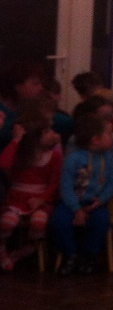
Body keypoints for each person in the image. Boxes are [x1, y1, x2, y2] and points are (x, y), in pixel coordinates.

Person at [50, 112, 113, 275]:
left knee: (101, 221)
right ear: (96, 139)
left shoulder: (108, 159)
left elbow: (111, 184)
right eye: (109, 134)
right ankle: (70, 254)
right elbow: (66, 187)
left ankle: (90, 255)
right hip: (71, 203)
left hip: (95, 203)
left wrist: (101, 199)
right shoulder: (73, 159)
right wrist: (76, 209)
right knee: (59, 220)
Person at [0, 108, 62, 271]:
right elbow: (4, 163)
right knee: (7, 222)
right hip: (17, 199)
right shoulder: (20, 154)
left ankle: (24, 252)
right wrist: (16, 140)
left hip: (40, 199)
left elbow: (54, 183)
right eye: (47, 131)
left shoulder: (54, 156)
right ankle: (2, 250)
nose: (52, 133)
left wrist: (42, 199)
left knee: (39, 221)